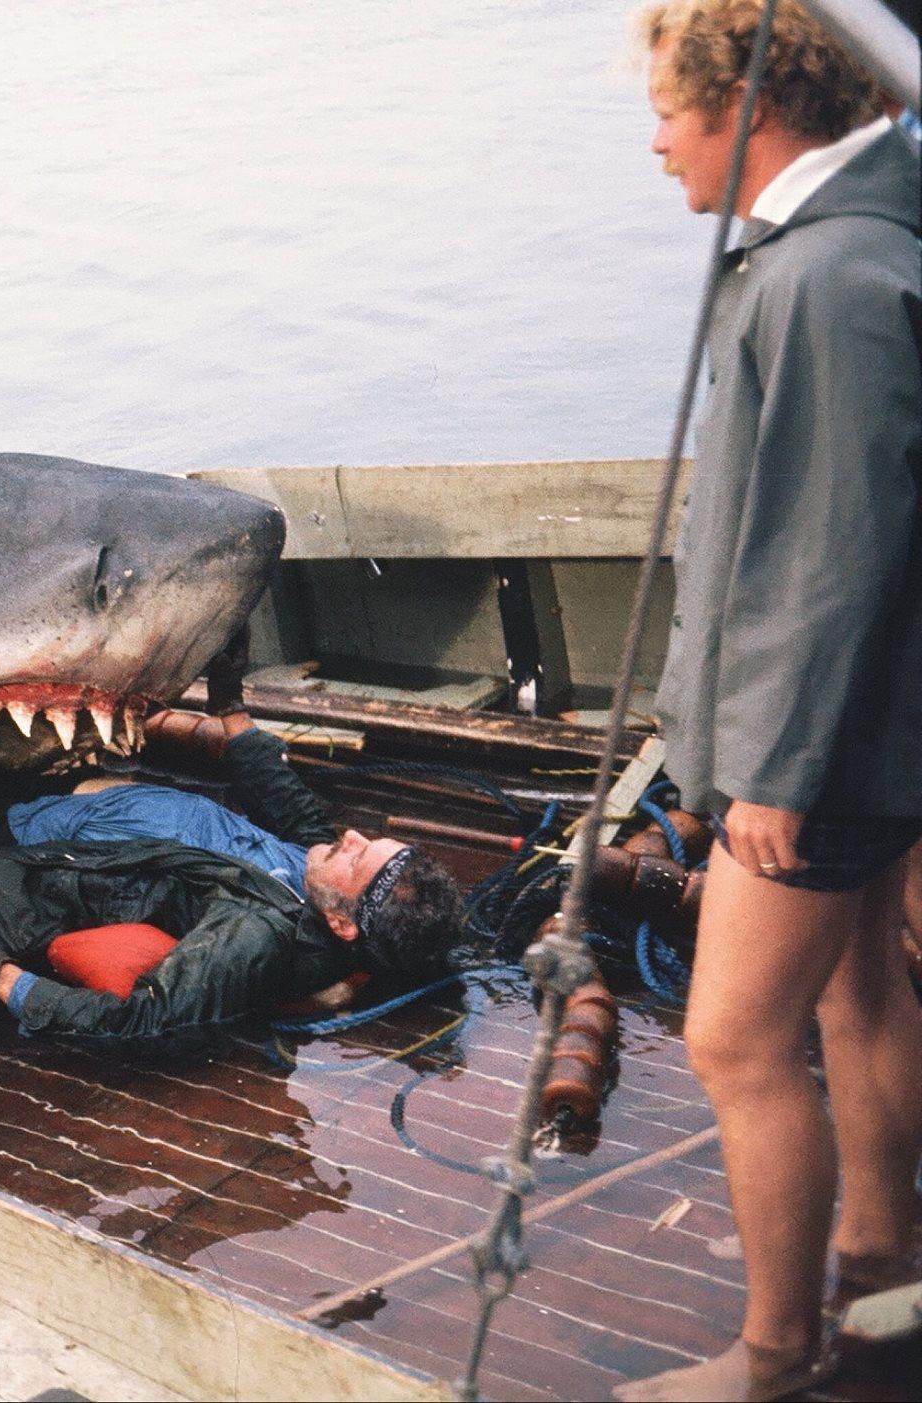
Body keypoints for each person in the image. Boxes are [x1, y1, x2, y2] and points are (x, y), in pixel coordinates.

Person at [619, 5, 922, 1399]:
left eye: (672, 106)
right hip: (872, 735)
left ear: (747, 103)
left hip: (828, 753)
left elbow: (828, 554)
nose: (659, 136)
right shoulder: (843, 253)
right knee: (860, 986)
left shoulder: (825, 283)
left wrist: (774, 772)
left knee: (737, 1037)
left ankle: (776, 1352)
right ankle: (883, 1257)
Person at [0, 711, 465, 1038]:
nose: (354, 836)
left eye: (359, 857)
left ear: (341, 924)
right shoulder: (321, 883)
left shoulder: (255, 934)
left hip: (10, 843)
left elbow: (144, 1020)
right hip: (71, 796)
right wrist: (244, 735)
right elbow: (308, 826)